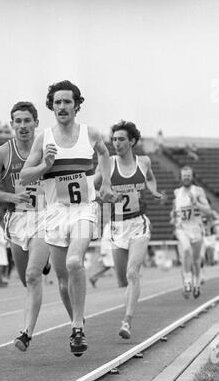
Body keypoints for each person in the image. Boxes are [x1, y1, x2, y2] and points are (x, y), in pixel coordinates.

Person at [20, 80, 114, 356]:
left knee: (75, 262)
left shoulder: (90, 133)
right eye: (57, 102)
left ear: (76, 105)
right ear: (52, 106)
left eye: (67, 102)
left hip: (84, 209)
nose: (62, 106)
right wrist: (45, 165)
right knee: (62, 280)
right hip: (55, 214)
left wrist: (105, 183)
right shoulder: (44, 138)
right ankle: (77, 321)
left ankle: (77, 328)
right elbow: (25, 176)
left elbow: (104, 153)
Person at [0, 101, 52, 351]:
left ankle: (26, 333)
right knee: (26, 279)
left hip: (45, 217)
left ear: (36, 123)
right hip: (17, 219)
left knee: (34, 276)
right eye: (18, 121)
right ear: (11, 124)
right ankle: (45, 262)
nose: (23, 126)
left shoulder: (47, 149)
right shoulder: (3, 153)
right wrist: (11, 197)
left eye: (27, 120)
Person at [95, 120, 165, 339]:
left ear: (132, 141)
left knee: (132, 273)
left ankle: (127, 322)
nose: (116, 143)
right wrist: (103, 196)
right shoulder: (107, 163)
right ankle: (128, 310)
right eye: (114, 139)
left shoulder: (143, 162)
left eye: (121, 139)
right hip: (117, 227)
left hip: (138, 224)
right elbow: (92, 190)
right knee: (122, 280)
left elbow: (151, 178)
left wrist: (153, 191)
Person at [172, 166, 211, 298]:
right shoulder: (177, 192)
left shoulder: (198, 191)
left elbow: (208, 211)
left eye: (188, 176)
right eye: (184, 176)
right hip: (182, 228)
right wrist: (174, 216)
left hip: (196, 229)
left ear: (192, 176)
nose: (186, 178)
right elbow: (175, 210)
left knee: (196, 260)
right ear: (181, 177)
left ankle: (197, 283)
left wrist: (196, 203)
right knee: (186, 250)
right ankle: (188, 281)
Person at [89, 221, 114, 288]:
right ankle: (93, 277)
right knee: (113, 265)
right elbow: (106, 239)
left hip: (109, 247)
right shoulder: (110, 226)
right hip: (108, 248)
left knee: (108, 266)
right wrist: (103, 251)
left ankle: (94, 278)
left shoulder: (110, 225)